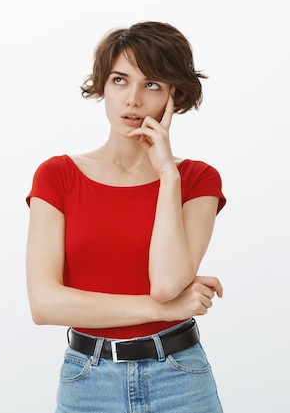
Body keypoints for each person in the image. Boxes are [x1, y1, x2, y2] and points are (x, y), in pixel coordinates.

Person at [25, 21, 226, 412]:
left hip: (180, 379)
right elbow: (45, 304)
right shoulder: (57, 176)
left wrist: (167, 173)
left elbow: (167, 283)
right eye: (120, 80)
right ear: (103, 86)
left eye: (151, 85)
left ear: (174, 96)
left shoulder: (197, 180)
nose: (132, 99)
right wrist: (163, 311)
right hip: (88, 381)